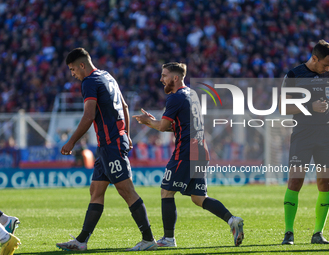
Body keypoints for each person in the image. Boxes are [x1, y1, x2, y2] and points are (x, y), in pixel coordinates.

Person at [133, 62, 244, 247]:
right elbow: (177, 126)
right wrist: (154, 122)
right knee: (199, 198)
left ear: (175, 78)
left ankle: (168, 239)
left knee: (166, 192)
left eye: (164, 75)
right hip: (201, 150)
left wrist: (148, 122)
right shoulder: (192, 94)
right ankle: (232, 220)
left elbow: (162, 127)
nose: (161, 79)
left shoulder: (175, 98)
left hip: (186, 151)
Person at [56, 48, 157, 251]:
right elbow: (125, 106)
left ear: (82, 65)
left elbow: (89, 116)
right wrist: (126, 134)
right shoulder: (107, 76)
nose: (72, 74)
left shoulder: (89, 82)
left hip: (111, 144)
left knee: (126, 191)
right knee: (96, 190)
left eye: (73, 69)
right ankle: (82, 241)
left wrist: (71, 142)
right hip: (109, 144)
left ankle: (148, 239)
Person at [280, 40, 329, 245]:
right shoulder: (294, 75)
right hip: (303, 133)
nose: (327, 69)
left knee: (325, 182)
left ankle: (318, 233)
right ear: (314, 58)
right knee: (295, 181)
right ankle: (288, 233)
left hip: (325, 135)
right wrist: (310, 105)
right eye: (325, 64)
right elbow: (284, 107)